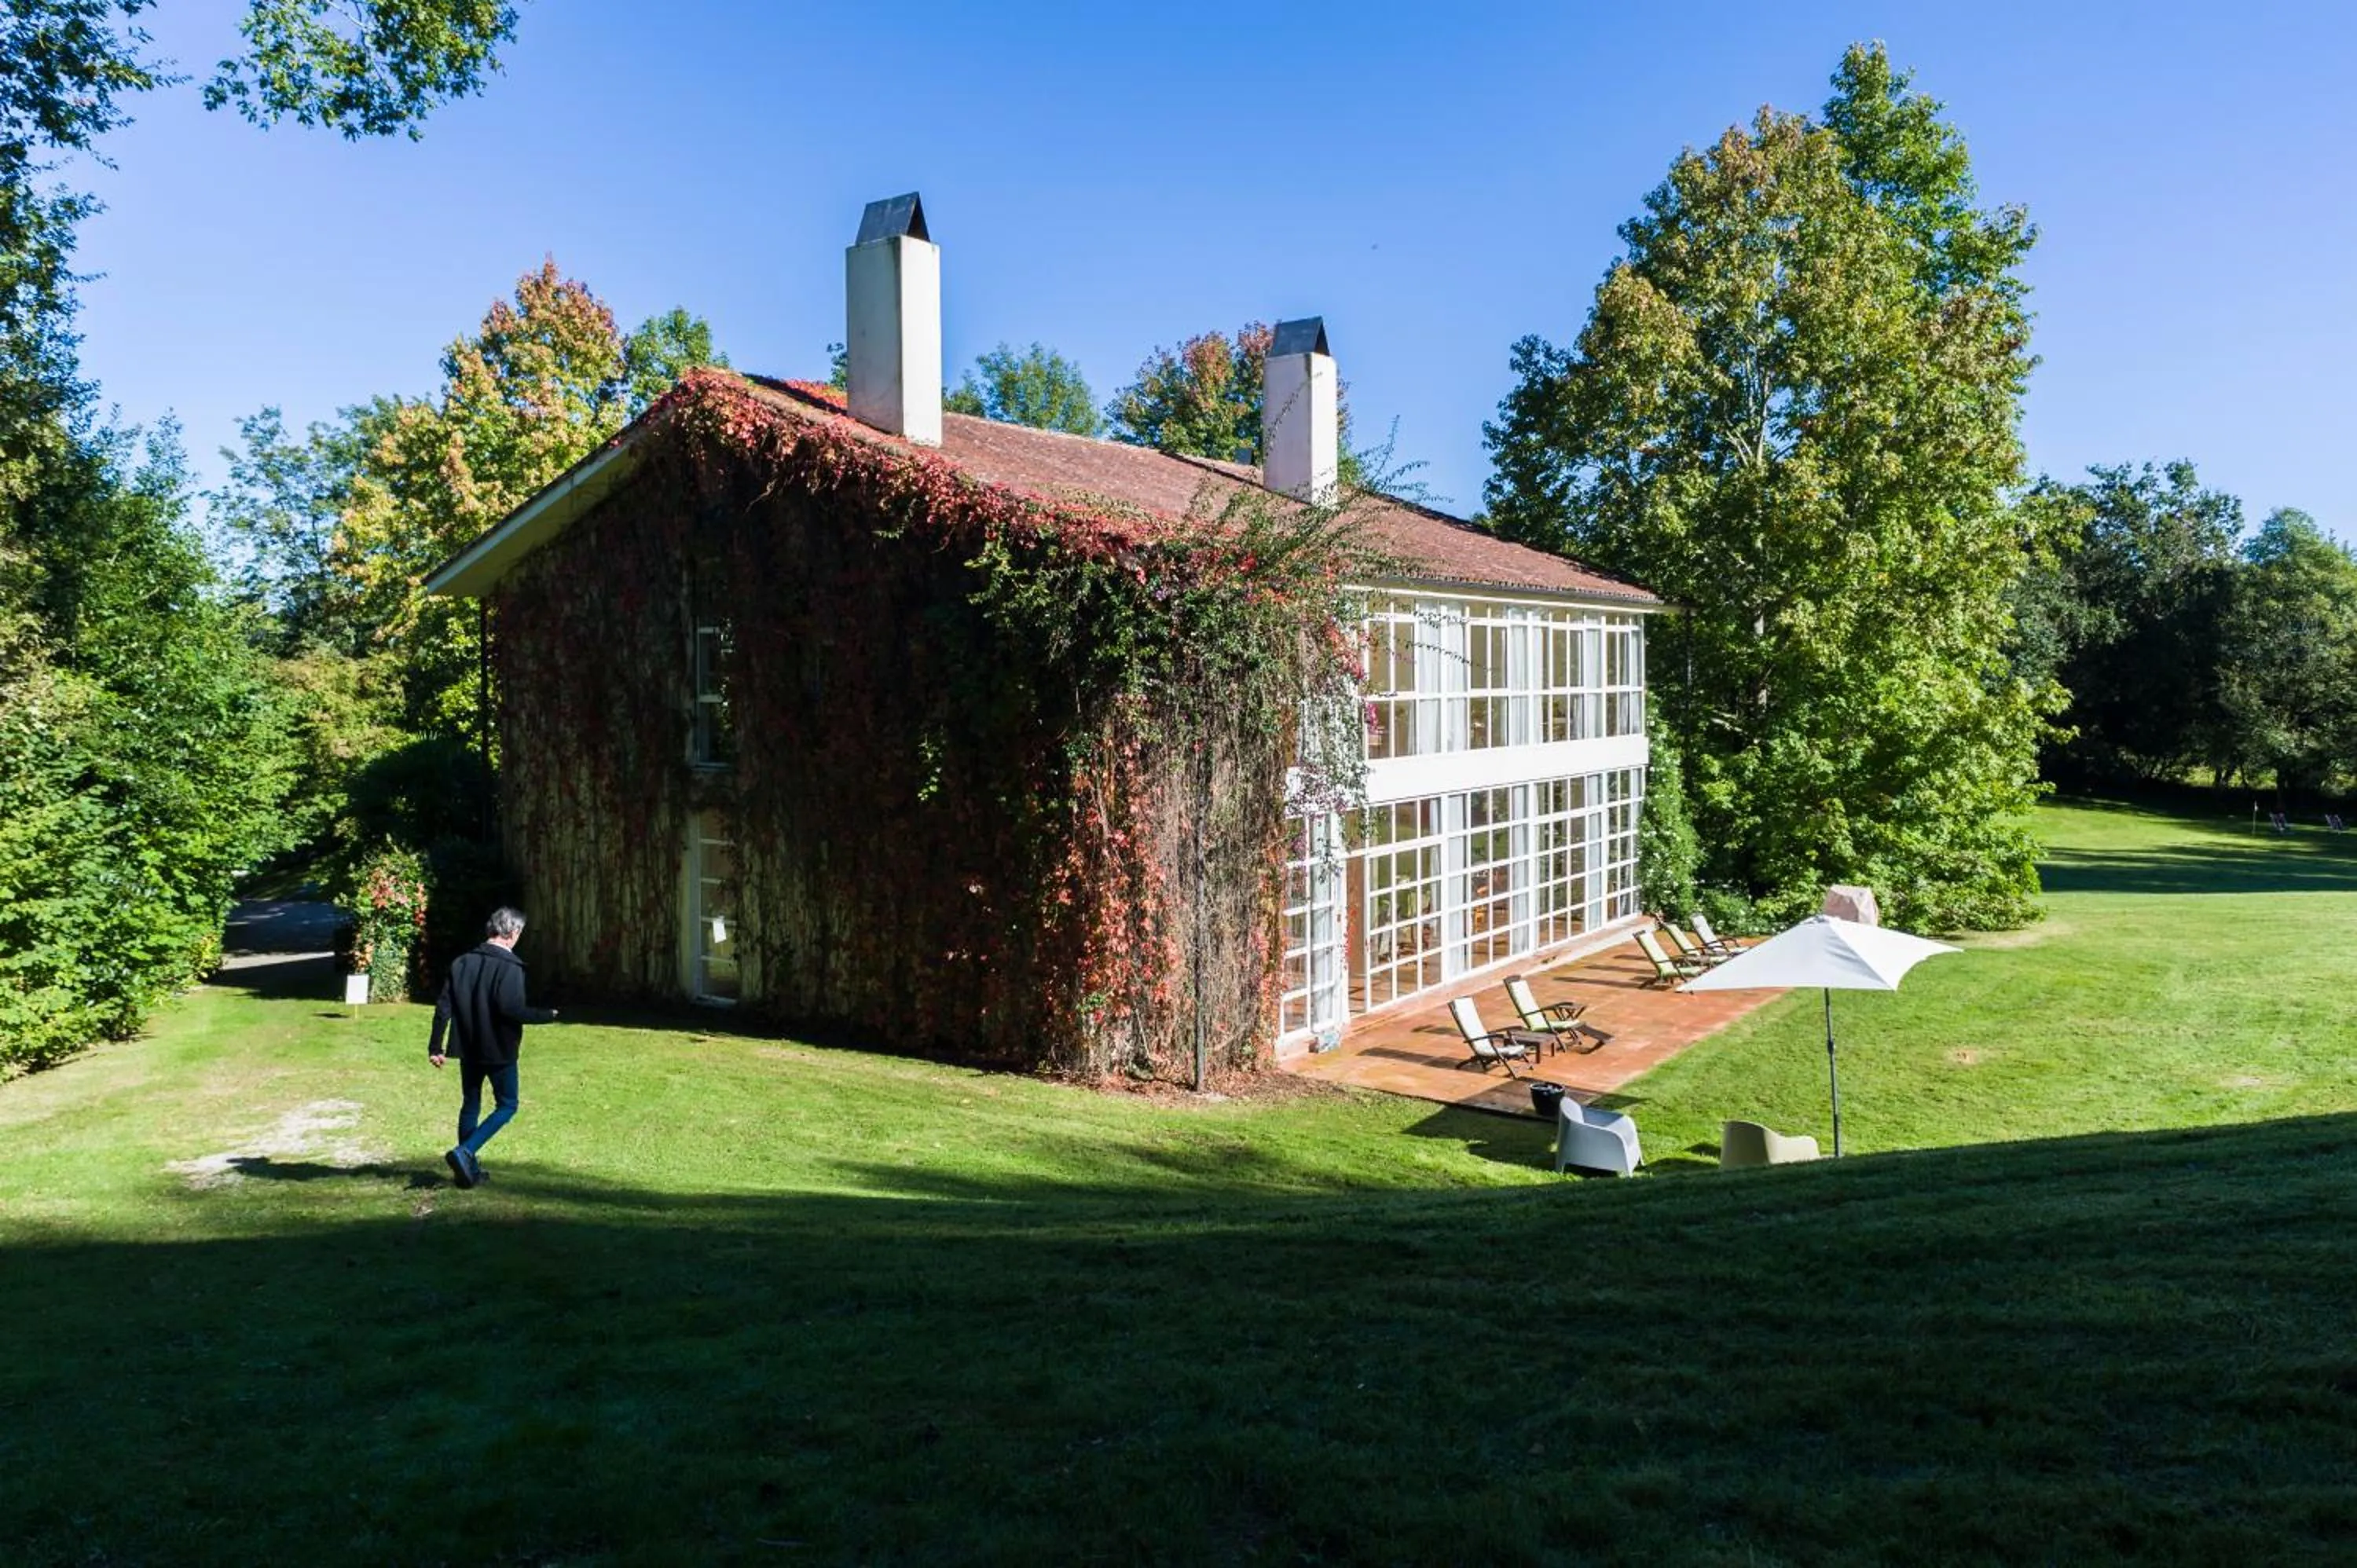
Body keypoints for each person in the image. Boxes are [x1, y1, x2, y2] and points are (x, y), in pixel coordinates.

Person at [428, 906, 558, 1188]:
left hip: (468, 1048)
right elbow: (512, 1009)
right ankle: (465, 1152)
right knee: (508, 1105)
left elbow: (443, 1007)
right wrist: (546, 1016)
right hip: (499, 1049)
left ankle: (467, 1172)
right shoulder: (511, 966)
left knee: (470, 1104)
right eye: (520, 933)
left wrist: (435, 1046)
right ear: (512, 932)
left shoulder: (461, 962)